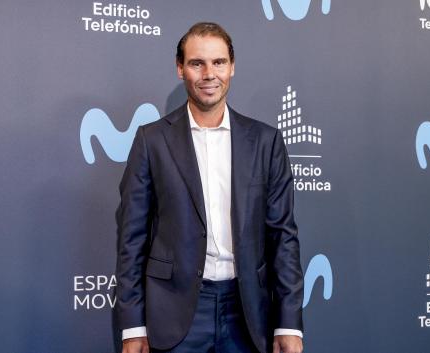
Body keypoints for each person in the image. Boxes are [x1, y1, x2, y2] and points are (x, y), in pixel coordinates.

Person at [115, 22, 304, 353]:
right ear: (180, 69)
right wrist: (133, 326)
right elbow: (131, 239)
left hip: (248, 314)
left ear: (232, 67)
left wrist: (289, 322)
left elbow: (283, 237)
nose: (208, 74)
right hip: (175, 312)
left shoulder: (265, 141)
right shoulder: (152, 140)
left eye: (218, 62)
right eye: (196, 63)